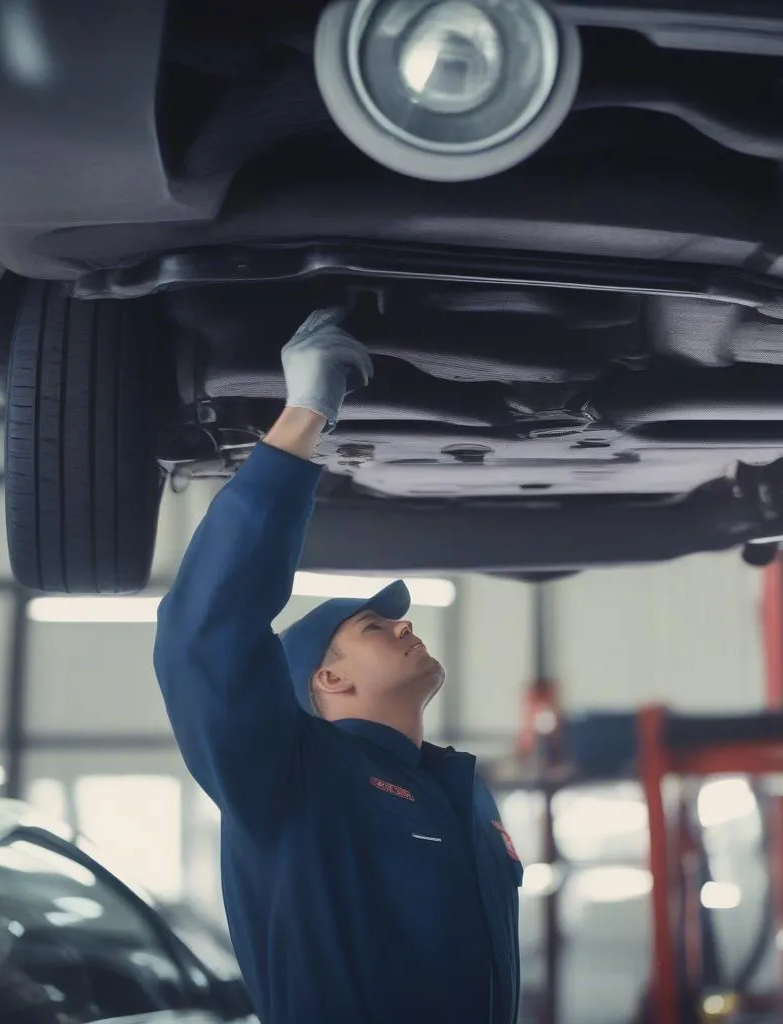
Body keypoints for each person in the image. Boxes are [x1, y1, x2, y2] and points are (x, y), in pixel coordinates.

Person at [154, 309, 523, 1024]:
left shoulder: (463, 794)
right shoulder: (288, 776)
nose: (405, 625)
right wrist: (302, 417)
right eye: (376, 626)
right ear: (327, 679)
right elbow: (206, 630)